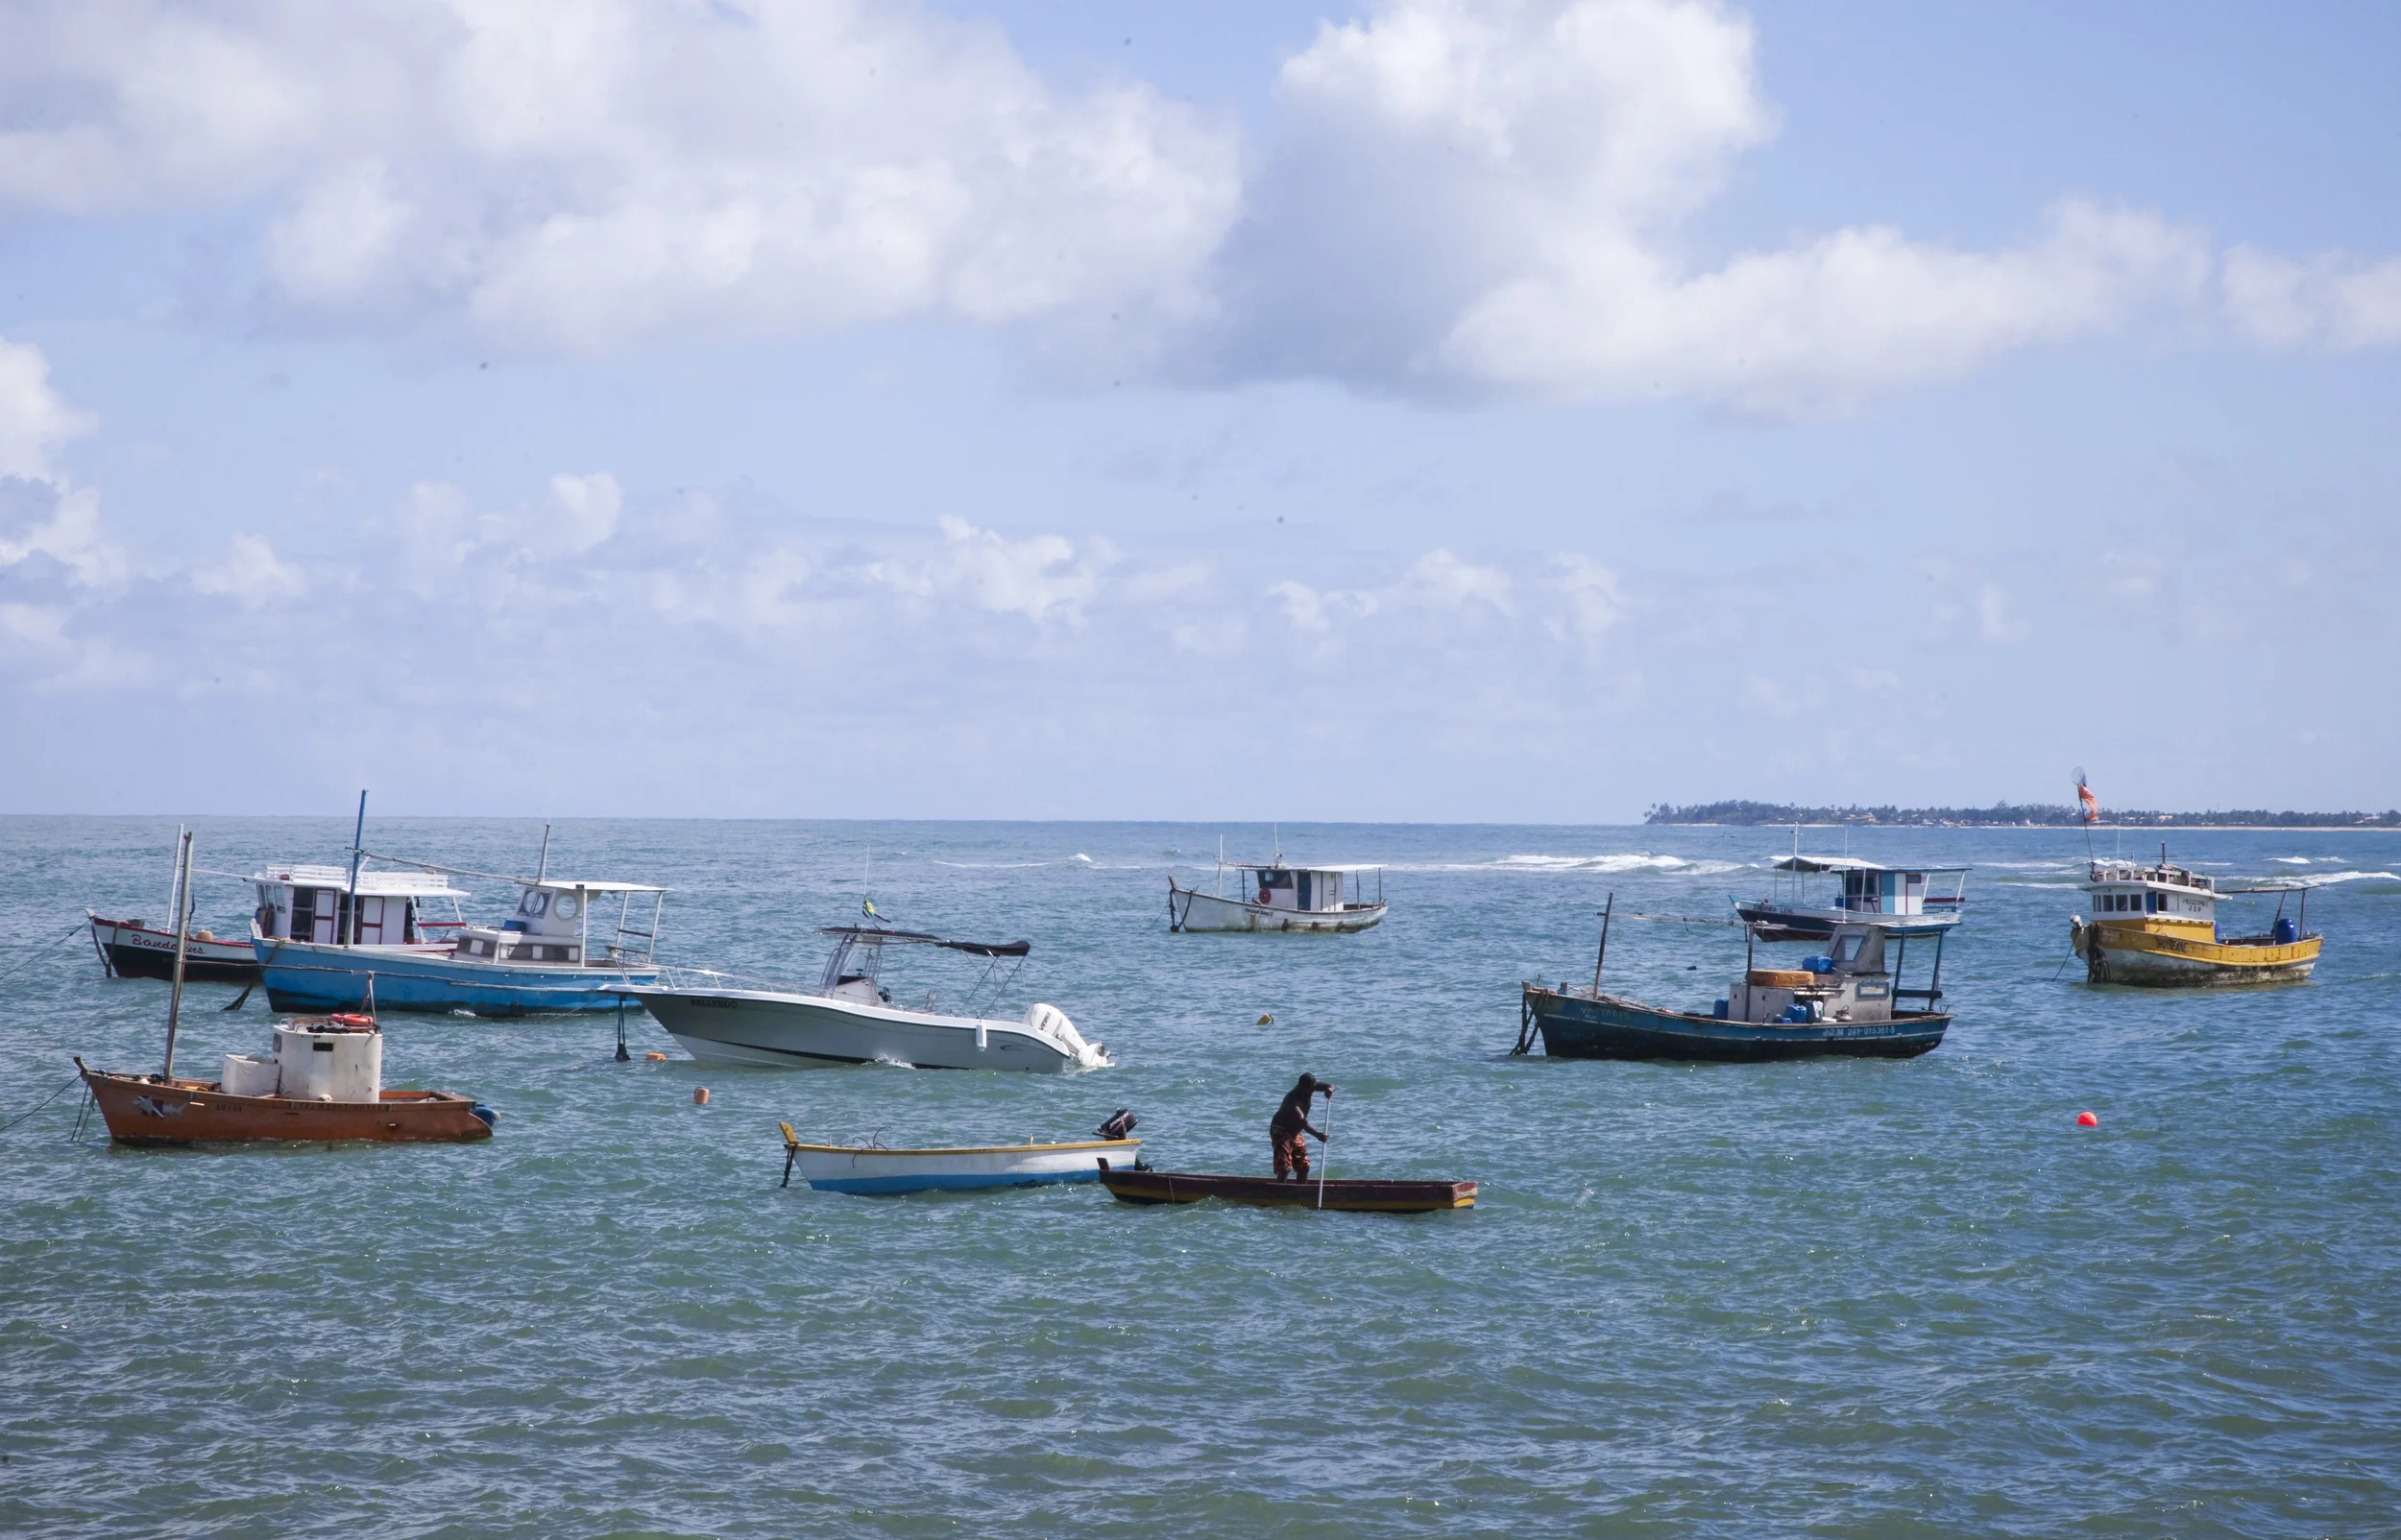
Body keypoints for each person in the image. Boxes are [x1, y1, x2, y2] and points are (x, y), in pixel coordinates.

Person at [1270, 1072, 1334, 1180]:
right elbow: (1302, 1122)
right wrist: (1318, 1135)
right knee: (1285, 1167)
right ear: (1302, 1087)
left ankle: (1300, 1191)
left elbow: (1329, 1085)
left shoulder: (1310, 1087)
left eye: (1314, 1088)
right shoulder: (1292, 1100)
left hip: (1295, 1133)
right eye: (1311, 1089)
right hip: (1281, 1132)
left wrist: (1330, 1090)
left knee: (1303, 1166)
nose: (1313, 1091)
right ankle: (1279, 1192)